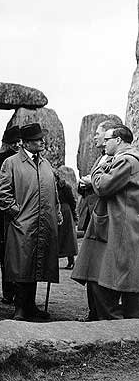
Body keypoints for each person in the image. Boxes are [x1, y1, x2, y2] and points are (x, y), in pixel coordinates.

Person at [72, 125, 139, 320]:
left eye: (107, 139)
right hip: (122, 224)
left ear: (118, 140)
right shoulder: (128, 160)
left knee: (106, 283)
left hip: (121, 227)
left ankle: (115, 328)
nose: (104, 144)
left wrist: (97, 171)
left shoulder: (126, 161)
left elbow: (103, 186)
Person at [0, 123, 62, 321]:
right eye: (37, 139)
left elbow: (54, 191)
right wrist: (16, 214)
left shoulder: (45, 163)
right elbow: (4, 194)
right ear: (26, 143)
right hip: (23, 223)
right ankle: (20, 308)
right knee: (21, 265)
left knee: (37, 264)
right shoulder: (11, 163)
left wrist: (57, 212)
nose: (42, 141)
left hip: (44, 221)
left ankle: (31, 306)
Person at [77, 119, 119, 321]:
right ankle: (93, 313)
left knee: (98, 270)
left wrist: (90, 180)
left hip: (104, 219)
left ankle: (99, 315)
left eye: (98, 133)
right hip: (93, 215)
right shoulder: (101, 157)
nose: (94, 136)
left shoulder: (114, 159)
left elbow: (102, 184)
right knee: (91, 269)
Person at [0, 126, 21, 304]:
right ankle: (8, 291)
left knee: (20, 251)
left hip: (22, 208)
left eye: (19, 141)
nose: (17, 144)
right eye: (13, 142)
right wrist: (8, 201)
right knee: (5, 253)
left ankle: (19, 291)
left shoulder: (24, 159)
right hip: (3, 210)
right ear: (6, 143)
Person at [55, 171, 78, 269]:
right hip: (58, 210)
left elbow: (72, 201)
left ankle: (71, 261)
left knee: (68, 237)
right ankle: (67, 261)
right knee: (58, 237)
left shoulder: (65, 187)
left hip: (65, 211)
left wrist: (73, 214)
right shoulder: (53, 187)